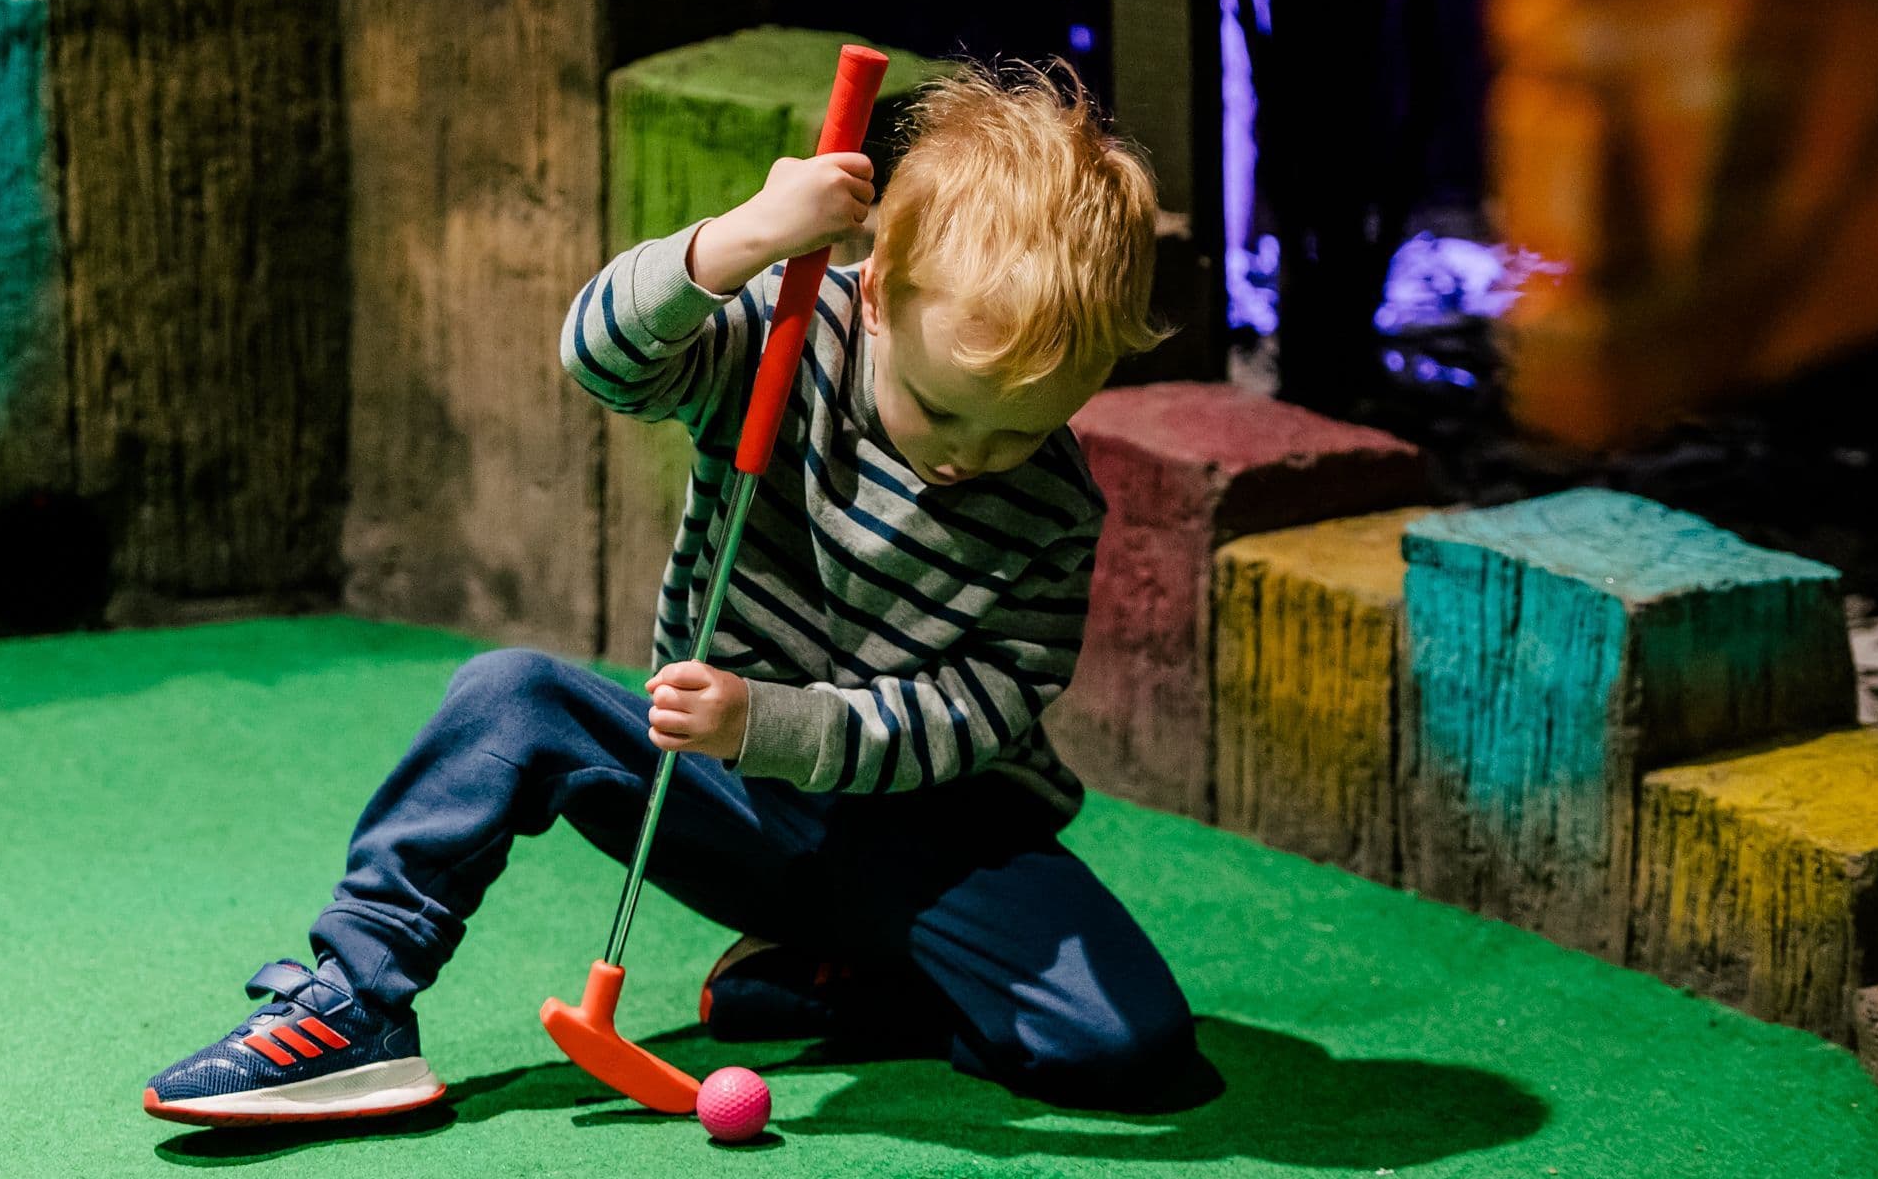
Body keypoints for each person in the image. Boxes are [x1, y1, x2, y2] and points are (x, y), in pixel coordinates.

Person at [143, 63, 1223, 1125]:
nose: (965, 459)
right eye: (942, 414)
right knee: (508, 698)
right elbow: (601, 355)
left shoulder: (1052, 505)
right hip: (723, 798)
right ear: (881, 297)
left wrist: (772, 720)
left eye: (1021, 429)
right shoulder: (792, 336)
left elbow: (980, 707)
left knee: (1127, 1044)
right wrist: (745, 235)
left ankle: (839, 978)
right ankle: (359, 1002)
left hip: (931, 839)